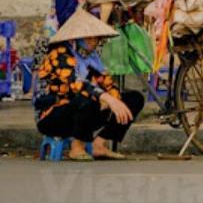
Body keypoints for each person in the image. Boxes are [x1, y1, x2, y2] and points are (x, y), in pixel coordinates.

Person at [35, 8, 144, 161]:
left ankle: (99, 144)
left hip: (83, 113)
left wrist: (113, 98)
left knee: (134, 98)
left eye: (96, 39)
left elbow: (107, 83)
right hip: (53, 115)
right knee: (86, 99)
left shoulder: (92, 58)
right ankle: (76, 146)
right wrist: (105, 97)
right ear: (77, 38)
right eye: (89, 39)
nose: (94, 43)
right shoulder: (59, 54)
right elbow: (77, 85)